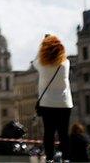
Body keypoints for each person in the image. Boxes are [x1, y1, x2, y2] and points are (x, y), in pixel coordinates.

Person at [32, 34, 73, 162]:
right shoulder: (65, 63)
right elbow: (63, 56)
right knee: (64, 133)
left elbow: (35, 60)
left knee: (48, 133)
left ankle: (49, 158)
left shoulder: (41, 65)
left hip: (47, 103)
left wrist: (43, 43)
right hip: (64, 103)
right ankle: (66, 158)